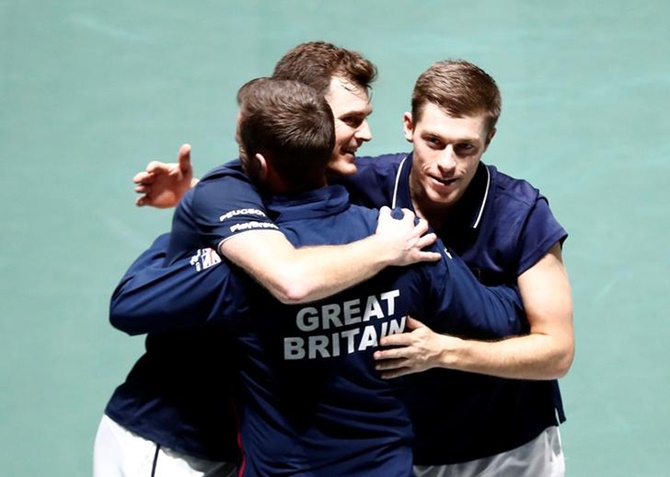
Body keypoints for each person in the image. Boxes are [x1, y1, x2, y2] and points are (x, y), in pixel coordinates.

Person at [134, 57, 574, 476]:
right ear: (408, 128)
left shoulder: (521, 213)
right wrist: (196, 198)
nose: (446, 163)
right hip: (412, 447)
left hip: (508, 444)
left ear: (488, 142)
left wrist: (444, 351)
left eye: (465, 148)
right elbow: (280, 167)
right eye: (433, 142)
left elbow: (556, 351)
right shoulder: (361, 185)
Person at [95, 43, 442, 477]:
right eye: (351, 119)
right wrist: (384, 249)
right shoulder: (227, 193)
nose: (367, 133)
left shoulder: (332, 186)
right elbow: (291, 279)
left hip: (245, 445)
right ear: (300, 113)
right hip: (172, 440)